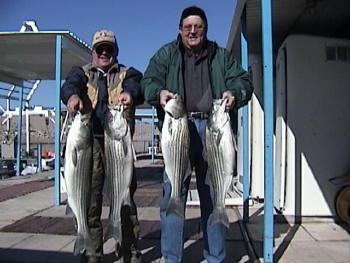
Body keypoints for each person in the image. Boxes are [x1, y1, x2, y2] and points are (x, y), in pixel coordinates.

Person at [141, 6, 253, 263]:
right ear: (180, 30)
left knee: (212, 196)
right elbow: (149, 80)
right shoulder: (166, 54)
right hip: (178, 128)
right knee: (173, 195)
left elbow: (244, 81)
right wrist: (158, 94)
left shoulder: (221, 56)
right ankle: (172, 258)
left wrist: (234, 94)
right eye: (188, 27)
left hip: (213, 128)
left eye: (198, 27)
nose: (193, 31)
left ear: (205, 29)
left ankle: (215, 257)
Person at [61, 29, 143, 263]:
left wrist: (129, 93)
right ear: (93, 52)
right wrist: (72, 97)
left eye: (109, 49)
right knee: (90, 202)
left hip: (118, 144)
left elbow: (138, 85)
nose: (104, 53)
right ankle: (91, 253)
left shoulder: (128, 73)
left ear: (116, 51)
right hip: (91, 143)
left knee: (125, 198)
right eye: (100, 49)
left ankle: (129, 251)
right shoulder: (81, 73)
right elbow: (70, 85)